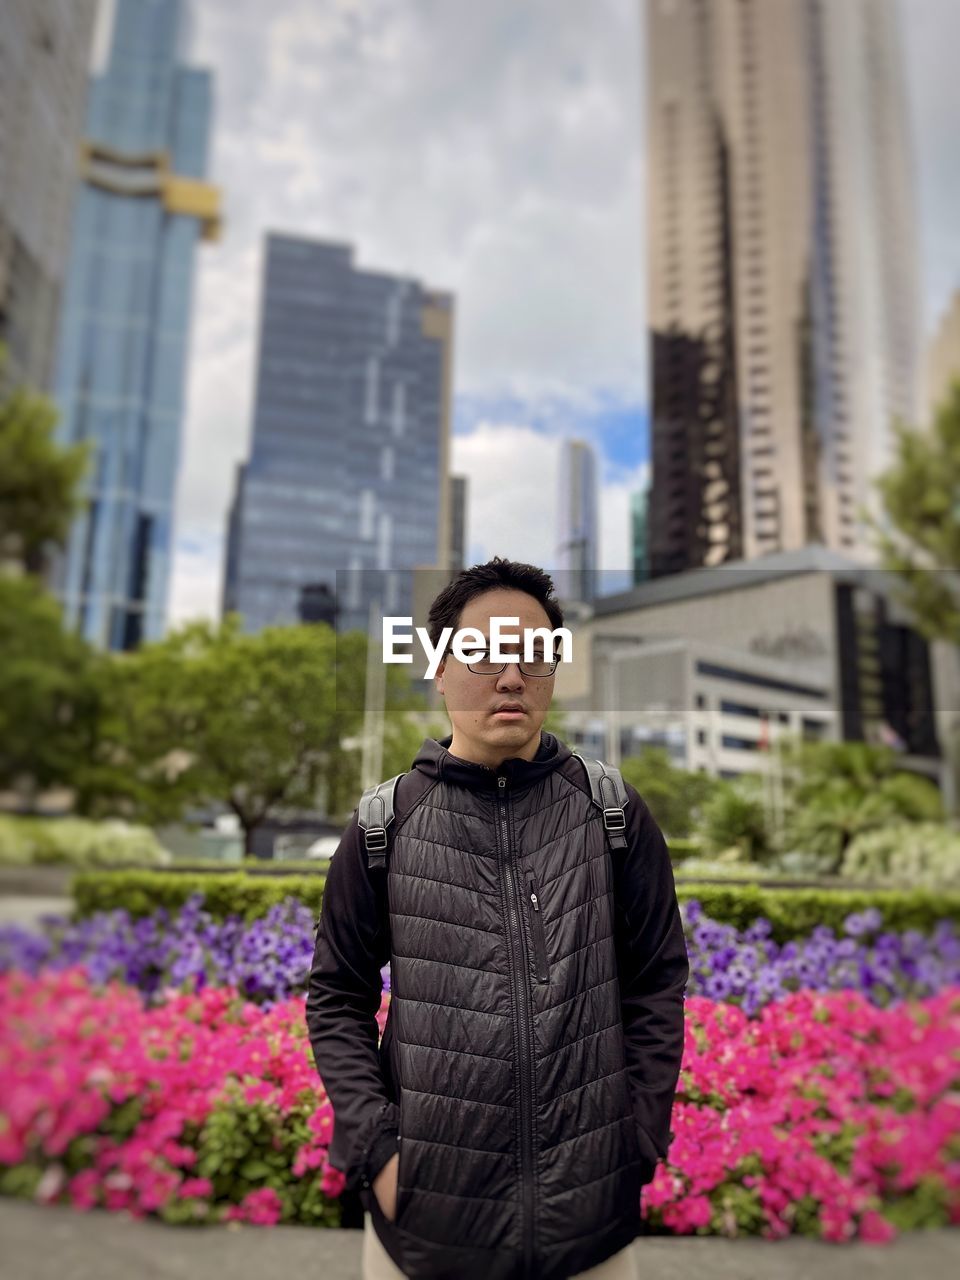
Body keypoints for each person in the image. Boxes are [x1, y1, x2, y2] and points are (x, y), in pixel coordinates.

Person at [306, 557, 689, 1280]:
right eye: (482, 653)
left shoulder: (613, 813)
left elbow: (657, 980)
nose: (510, 676)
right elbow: (336, 997)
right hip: (424, 1232)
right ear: (440, 669)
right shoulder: (384, 825)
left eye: (533, 655)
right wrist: (380, 1156)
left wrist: (637, 1134)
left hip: (589, 1233)